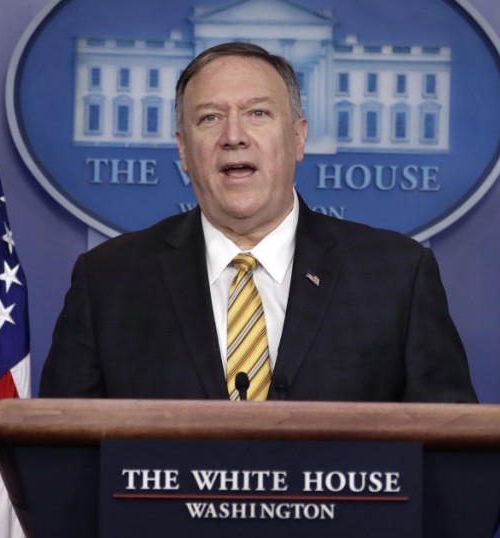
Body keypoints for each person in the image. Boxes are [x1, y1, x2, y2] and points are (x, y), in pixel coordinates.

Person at [39, 42, 476, 403]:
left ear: (298, 137)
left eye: (258, 113)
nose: (234, 136)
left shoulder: (398, 275)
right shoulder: (108, 281)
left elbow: (452, 457)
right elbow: (61, 460)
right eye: (210, 117)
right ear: (184, 151)